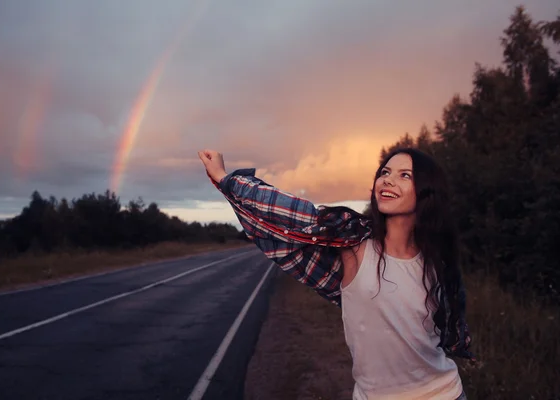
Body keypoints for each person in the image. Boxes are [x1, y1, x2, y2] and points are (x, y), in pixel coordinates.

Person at [197, 147, 475, 400]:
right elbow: (288, 211)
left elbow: (449, 320)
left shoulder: (438, 260)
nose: (388, 180)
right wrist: (225, 178)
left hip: (443, 393)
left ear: (427, 192)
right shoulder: (354, 244)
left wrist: (461, 344)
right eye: (385, 172)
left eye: (405, 175)